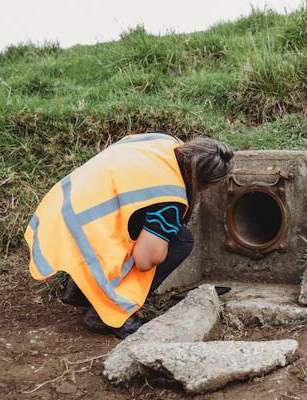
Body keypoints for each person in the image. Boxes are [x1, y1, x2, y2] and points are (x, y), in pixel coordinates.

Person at [25, 132, 234, 338]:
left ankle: (82, 290)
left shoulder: (162, 142)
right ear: (203, 181)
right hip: (81, 232)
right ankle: (110, 312)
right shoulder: (170, 198)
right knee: (181, 242)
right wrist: (160, 247)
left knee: (143, 227)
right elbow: (144, 261)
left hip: (61, 210)